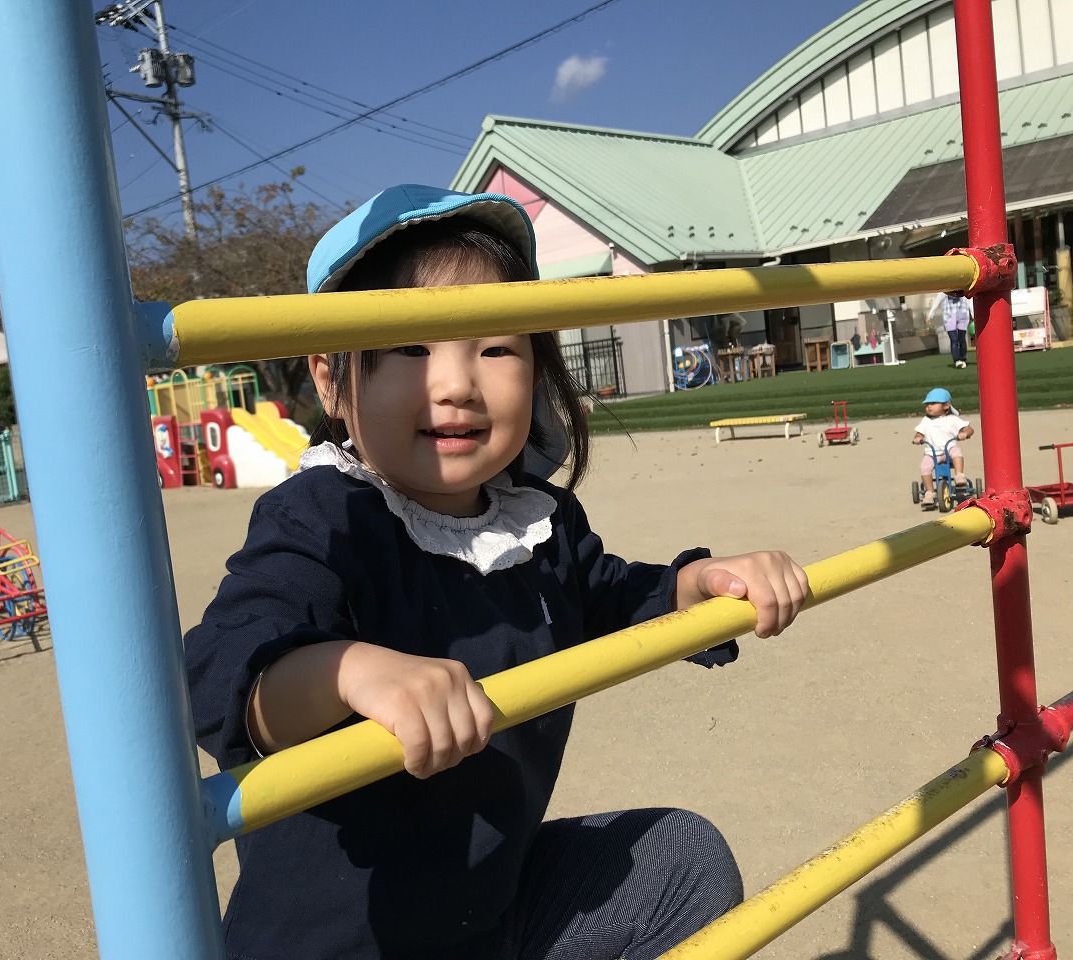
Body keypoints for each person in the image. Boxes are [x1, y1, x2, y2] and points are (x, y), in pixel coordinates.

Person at [184, 184, 810, 960]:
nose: (456, 385)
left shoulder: (538, 523)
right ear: (332, 379)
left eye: (496, 348)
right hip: (348, 940)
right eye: (410, 347)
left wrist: (700, 585)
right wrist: (348, 671)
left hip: (489, 914)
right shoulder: (324, 517)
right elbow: (227, 671)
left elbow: (612, 596)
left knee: (681, 862)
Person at [913, 387, 975, 507]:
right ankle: (930, 492)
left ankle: (959, 475)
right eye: (927, 404)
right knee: (924, 467)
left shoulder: (953, 419)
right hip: (932, 453)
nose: (929, 407)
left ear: (946, 405)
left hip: (948, 450)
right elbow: (919, 433)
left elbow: (969, 429)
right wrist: (918, 438)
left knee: (956, 451)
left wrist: (965, 433)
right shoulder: (926, 421)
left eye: (933, 403)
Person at [928, 291, 973, 369]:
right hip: (948, 317)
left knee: (962, 340)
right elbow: (936, 303)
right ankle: (957, 360)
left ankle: (962, 358)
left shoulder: (964, 290)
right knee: (954, 340)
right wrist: (930, 315)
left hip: (963, 316)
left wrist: (973, 315)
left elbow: (970, 302)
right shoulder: (944, 292)